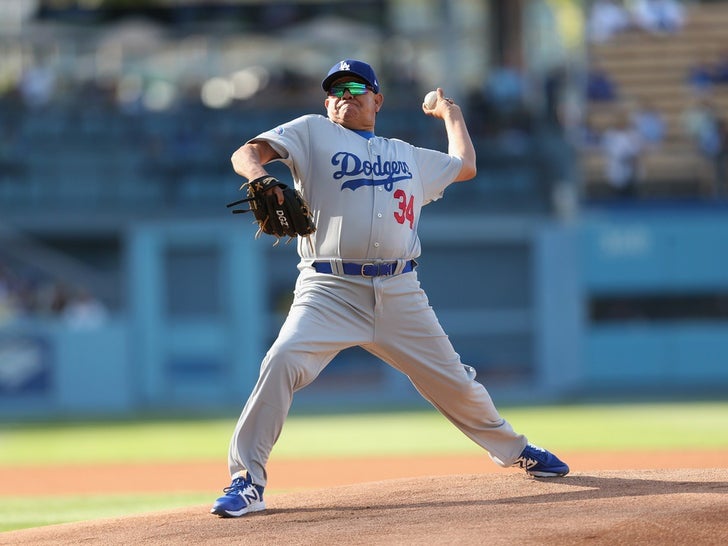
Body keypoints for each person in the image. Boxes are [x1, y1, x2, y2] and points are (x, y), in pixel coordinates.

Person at [210, 59, 569, 519]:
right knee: (281, 361)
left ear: (377, 99)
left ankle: (514, 449)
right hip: (329, 287)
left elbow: (466, 166)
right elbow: (246, 153)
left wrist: (449, 112)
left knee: (455, 382)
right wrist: (260, 176)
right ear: (326, 102)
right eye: (336, 89)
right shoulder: (312, 131)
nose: (346, 94)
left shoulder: (406, 154)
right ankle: (246, 480)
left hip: (400, 289)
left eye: (357, 86)